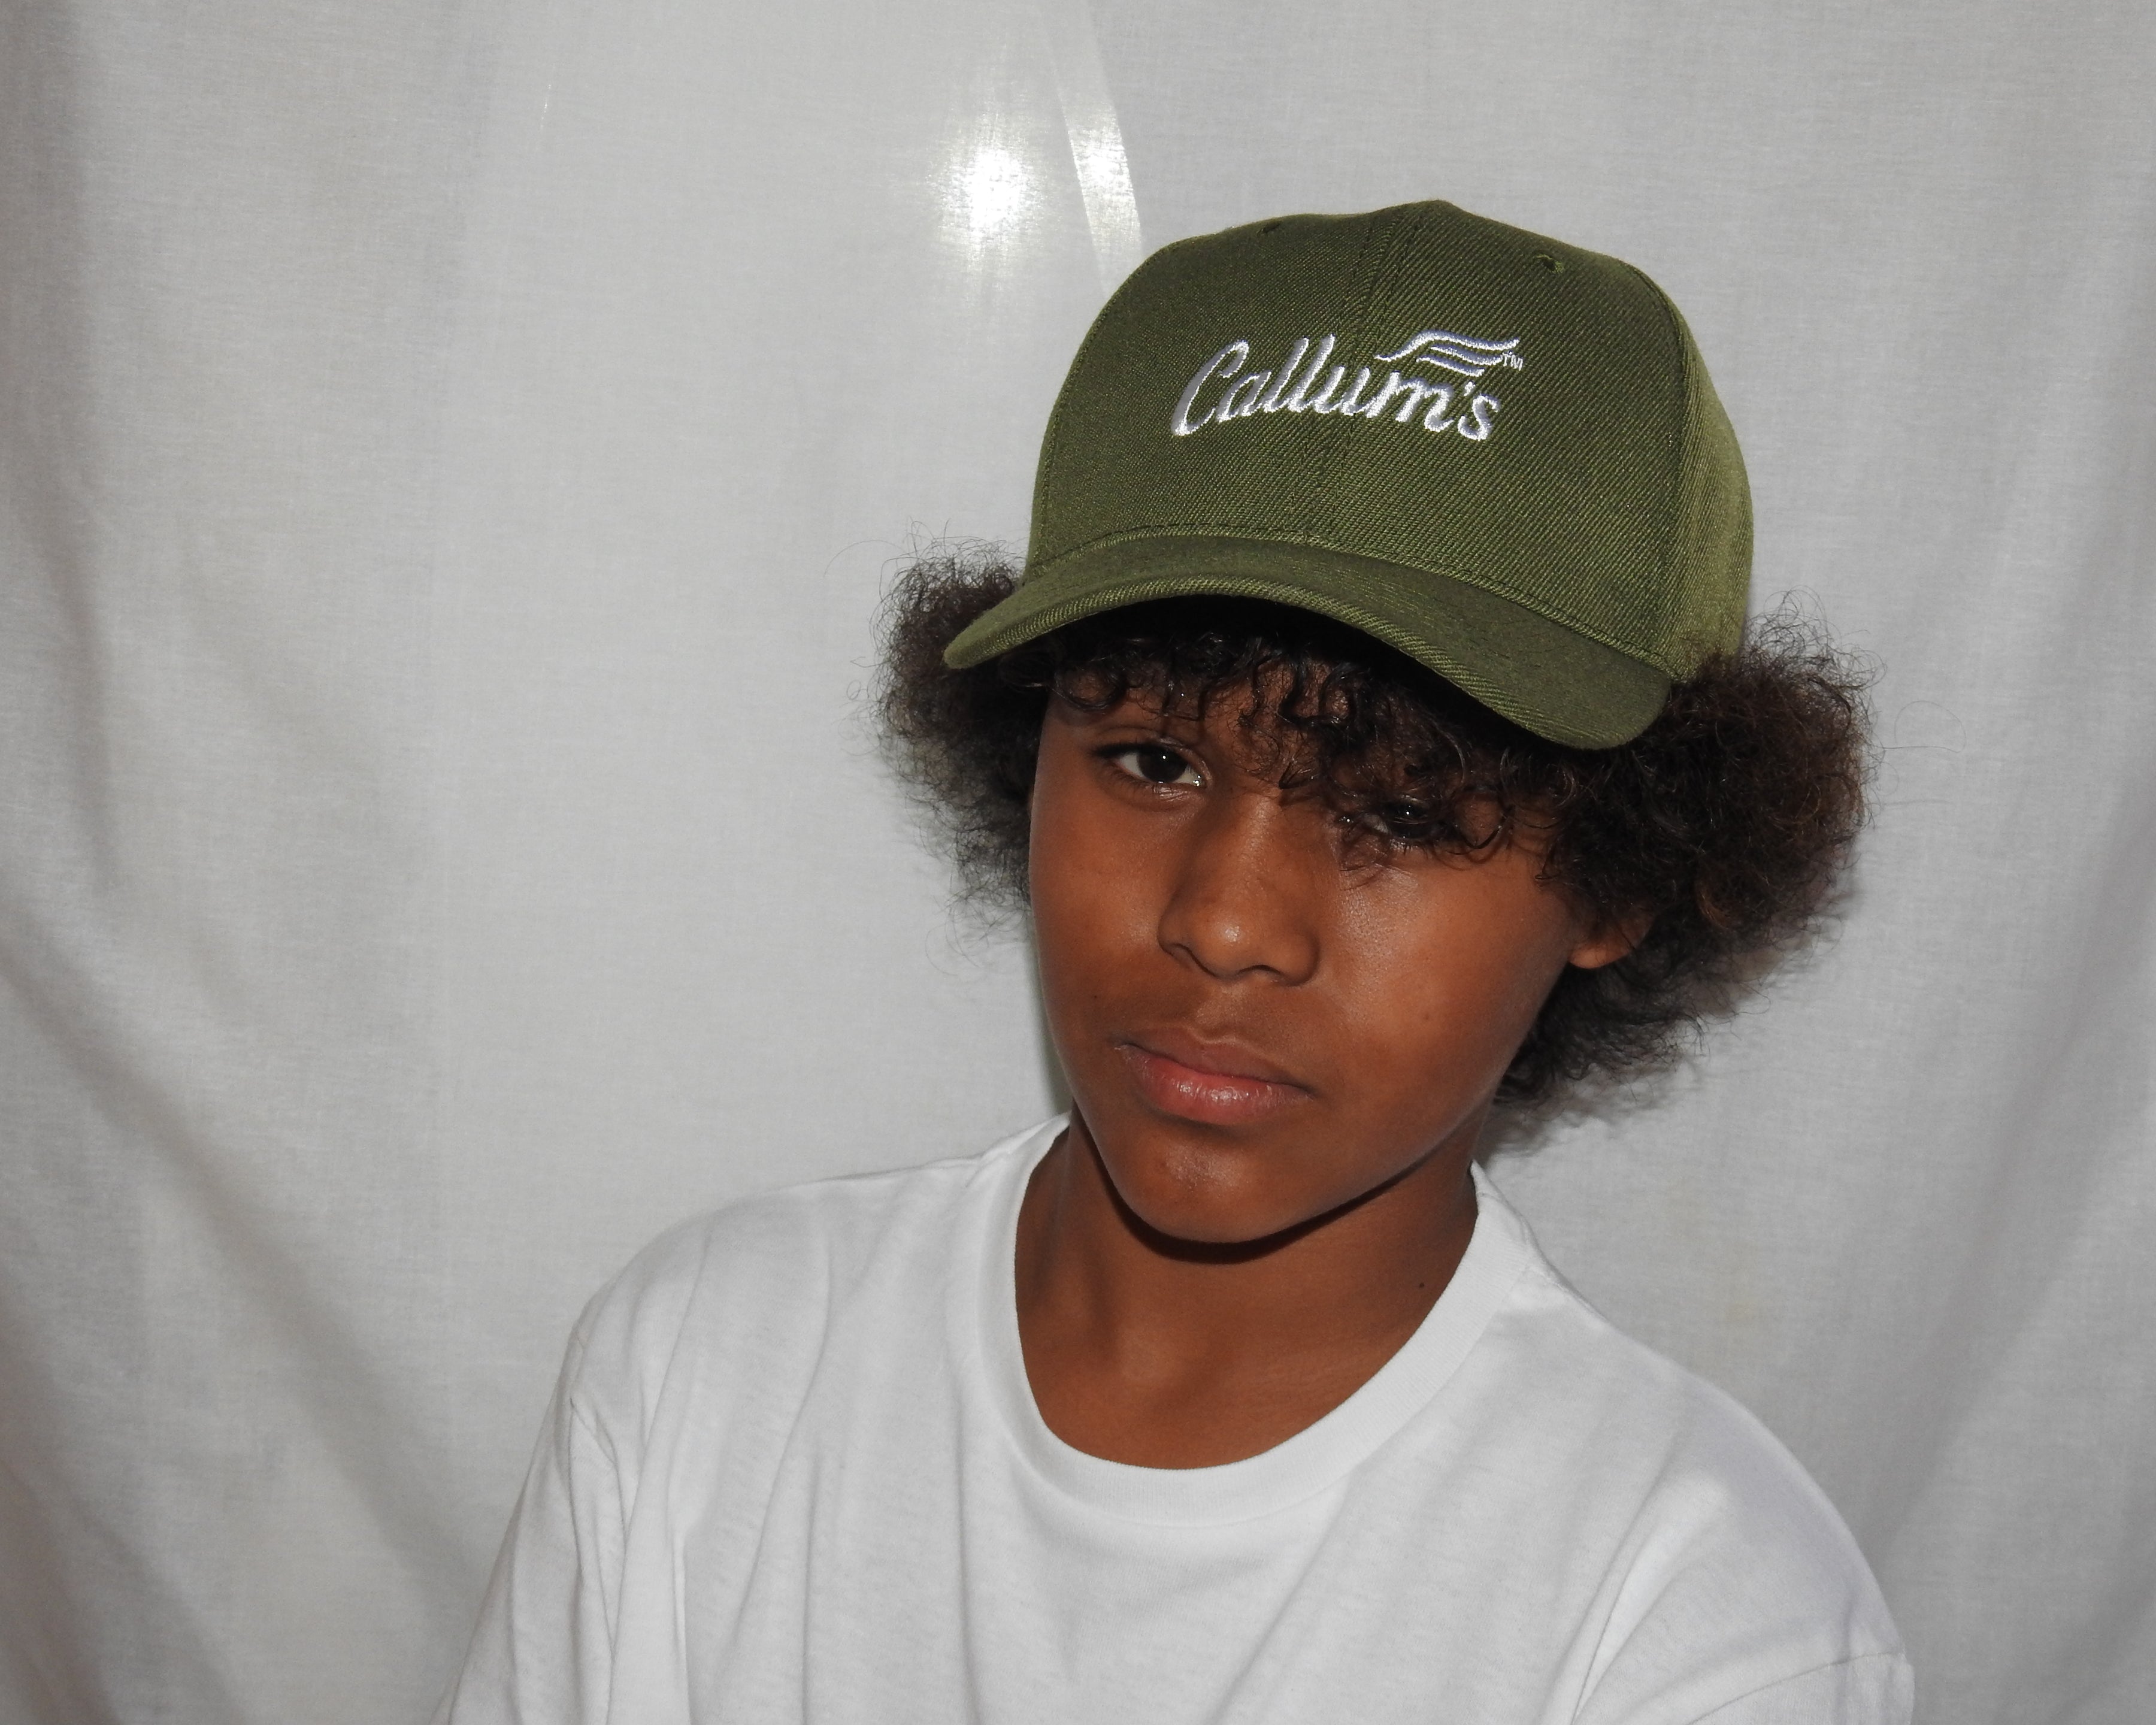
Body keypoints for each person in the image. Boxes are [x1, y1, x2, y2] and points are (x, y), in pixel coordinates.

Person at [437, 200, 1913, 1724]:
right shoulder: (706, 1375)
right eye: (1153, 760)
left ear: (1629, 875)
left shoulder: (1693, 1625)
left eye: (1402, 810)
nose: (1226, 922)